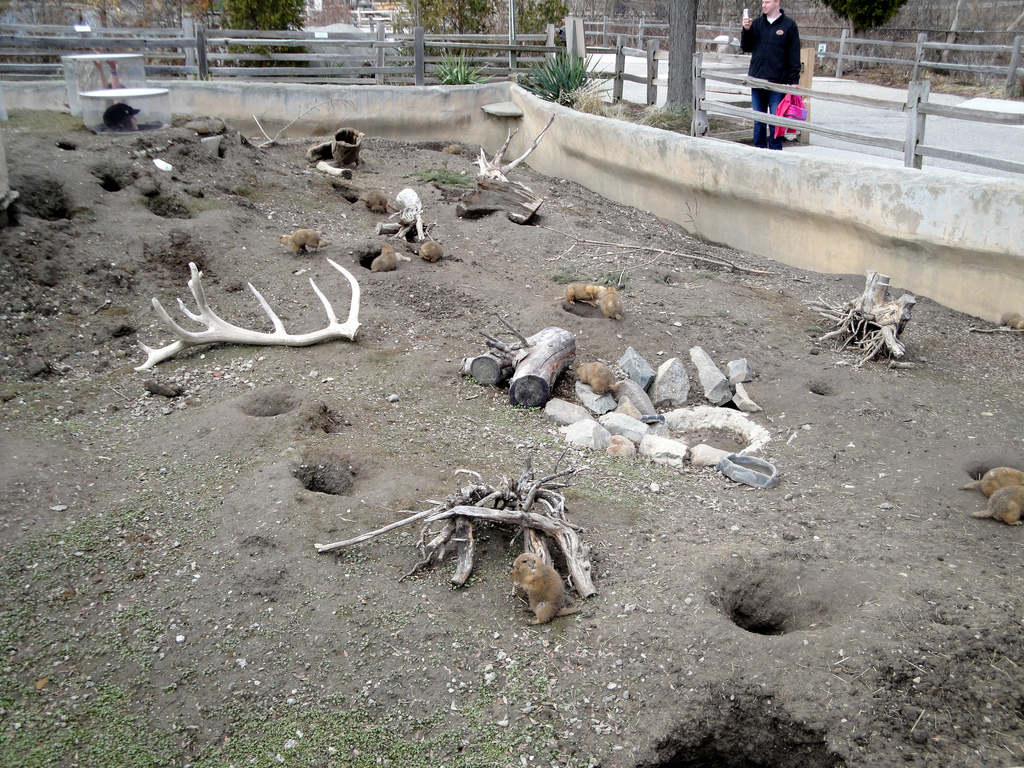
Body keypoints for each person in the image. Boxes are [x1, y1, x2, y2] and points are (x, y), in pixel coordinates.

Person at [740, 0, 801, 150]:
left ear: (776, 2)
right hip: (757, 79)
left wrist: (794, 80)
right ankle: (758, 150)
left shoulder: (789, 26)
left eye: (767, 1)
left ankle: (775, 152)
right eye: (762, 2)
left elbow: (794, 55)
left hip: (777, 82)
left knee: (776, 120)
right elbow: (746, 47)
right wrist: (746, 29)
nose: (763, 5)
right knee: (758, 121)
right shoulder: (758, 24)